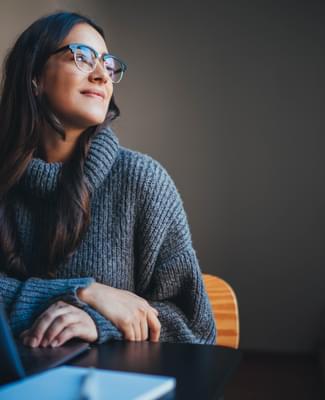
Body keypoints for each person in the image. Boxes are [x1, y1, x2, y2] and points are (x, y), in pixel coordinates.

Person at [0, 11, 216, 348]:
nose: (102, 75)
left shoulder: (142, 182)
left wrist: (100, 321)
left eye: (108, 64)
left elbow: (195, 326)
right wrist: (84, 292)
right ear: (35, 77)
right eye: (82, 57)